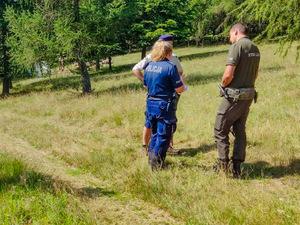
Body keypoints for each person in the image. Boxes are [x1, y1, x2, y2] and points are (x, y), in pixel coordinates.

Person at [214, 23, 260, 178]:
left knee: (220, 129)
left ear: (235, 32)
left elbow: (228, 74)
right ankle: (236, 167)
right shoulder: (255, 47)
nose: (229, 38)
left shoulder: (237, 46)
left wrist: (223, 85)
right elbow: (255, 75)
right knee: (239, 130)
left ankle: (222, 165)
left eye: (229, 35)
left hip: (234, 95)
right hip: (248, 95)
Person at [132, 34, 184, 156]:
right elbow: (180, 87)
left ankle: (154, 155)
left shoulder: (152, 65)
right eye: (169, 44)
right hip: (164, 100)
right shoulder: (160, 63)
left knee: (156, 129)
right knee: (162, 129)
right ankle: (156, 159)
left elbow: (179, 71)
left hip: (155, 99)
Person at [143, 40, 186, 170]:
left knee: (155, 133)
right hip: (164, 105)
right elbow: (179, 89)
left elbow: (145, 85)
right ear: (169, 53)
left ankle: (151, 161)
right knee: (164, 136)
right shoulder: (170, 66)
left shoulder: (149, 65)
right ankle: (157, 164)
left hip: (150, 103)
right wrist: (182, 82)